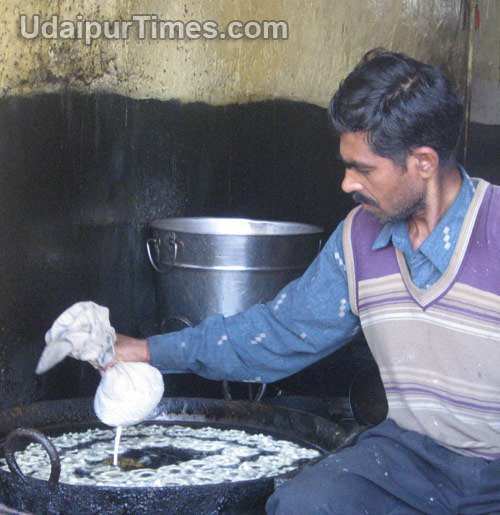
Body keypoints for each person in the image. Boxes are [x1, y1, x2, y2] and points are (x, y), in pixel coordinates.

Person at [114, 49, 500, 514]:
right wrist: (147, 351)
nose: (346, 184)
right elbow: (278, 335)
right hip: (410, 458)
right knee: (303, 505)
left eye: (363, 169)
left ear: (422, 162)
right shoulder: (359, 237)